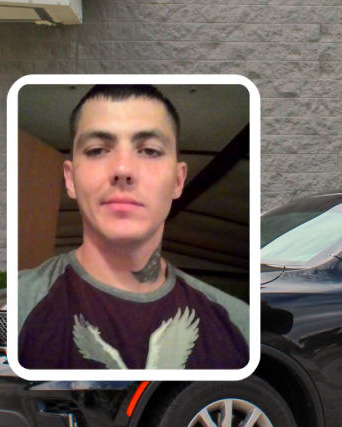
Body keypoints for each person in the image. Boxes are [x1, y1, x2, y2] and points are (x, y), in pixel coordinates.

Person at [18, 84, 248, 370]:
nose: (123, 169)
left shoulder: (241, 328)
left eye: (150, 150)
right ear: (70, 179)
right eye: (98, 149)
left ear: (178, 181)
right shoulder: (16, 308)